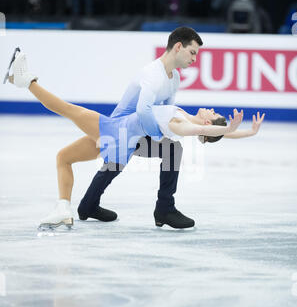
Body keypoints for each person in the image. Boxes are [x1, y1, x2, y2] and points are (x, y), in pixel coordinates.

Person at [5, 47, 265, 230]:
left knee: (66, 108)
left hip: (113, 129)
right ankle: (65, 209)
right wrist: (243, 132)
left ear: (207, 123)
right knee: (64, 157)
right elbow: (208, 133)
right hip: (122, 135)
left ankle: (25, 80)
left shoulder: (182, 124)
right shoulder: (184, 115)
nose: (210, 110)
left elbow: (202, 133)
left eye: (213, 114)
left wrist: (226, 130)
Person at [78, 26, 203, 230]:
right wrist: (158, 135)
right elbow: (143, 110)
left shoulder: (175, 78)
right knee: (115, 166)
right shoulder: (153, 74)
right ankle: (89, 205)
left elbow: (167, 111)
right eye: (192, 52)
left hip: (138, 131)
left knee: (170, 150)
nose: (194, 59)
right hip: (120, 130)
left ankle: (163, 208)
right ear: (178, 47)